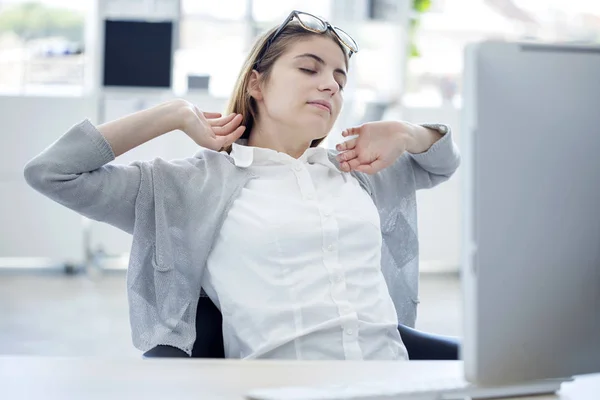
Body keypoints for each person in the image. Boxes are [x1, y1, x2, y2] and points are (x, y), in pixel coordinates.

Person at [24, 10, 461, 360]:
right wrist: (172, 114)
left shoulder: (355, 169)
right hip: (282, 388)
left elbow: (441, 164)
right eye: (309, 69)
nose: (329, 84)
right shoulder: (193, 185)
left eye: (340, 80)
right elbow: (53, 172)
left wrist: (407, 132)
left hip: (394, 379)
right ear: (257, 83)